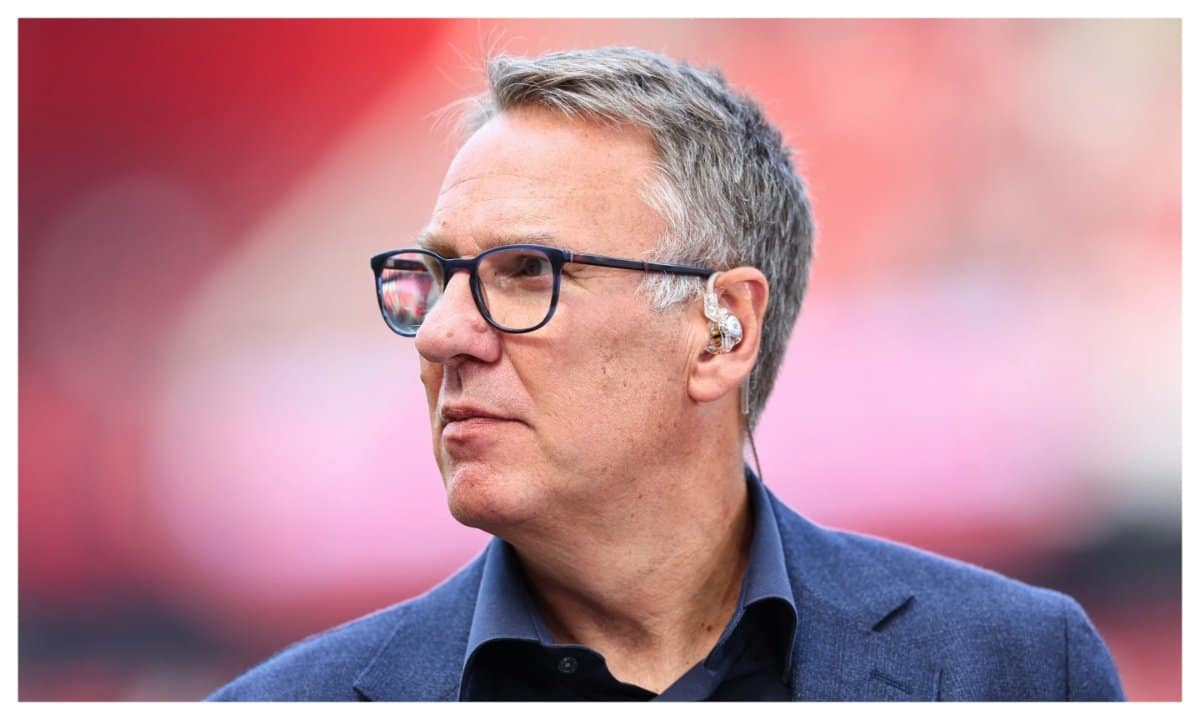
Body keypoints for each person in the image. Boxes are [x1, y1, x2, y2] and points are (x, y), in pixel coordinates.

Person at [208, 46, 1124, 701]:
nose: (442, 333)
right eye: (438, 276)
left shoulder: (1020, 669)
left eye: (525, 271)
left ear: (723, 331)